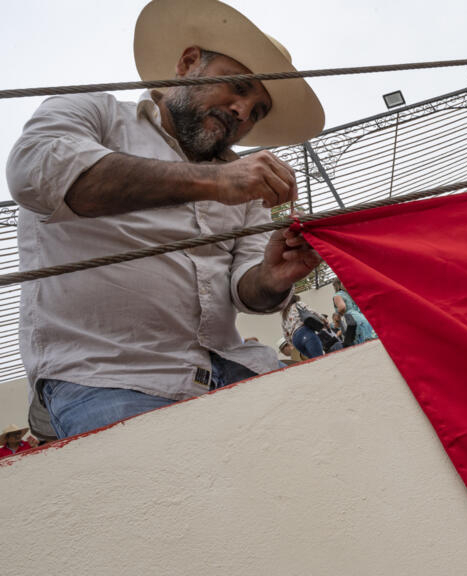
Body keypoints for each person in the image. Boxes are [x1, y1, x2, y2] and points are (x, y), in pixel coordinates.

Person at [5, 0, 326, 439]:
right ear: (189, 62)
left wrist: (273, 276)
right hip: (104, 380)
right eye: (237, 86)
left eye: (257, 110)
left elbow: (247, 292)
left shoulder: (241, 182)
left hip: (231, 370)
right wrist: (215, 182)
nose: (242, 112)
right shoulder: (95, 113)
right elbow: (37, 174)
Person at [332, 279, 378, 346]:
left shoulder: (337, 295)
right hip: (362, 316)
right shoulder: (349, 294)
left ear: (336, 286)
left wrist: (338, 315)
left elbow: (342, 307)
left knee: (363, 343)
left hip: (352, 319)